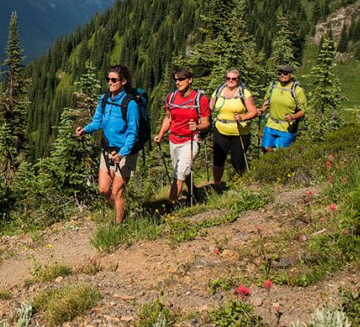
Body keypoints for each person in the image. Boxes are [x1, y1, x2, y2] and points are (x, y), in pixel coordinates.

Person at [76, 65, 139, 224]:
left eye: (114, 80)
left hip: (125, 153)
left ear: (123, 81)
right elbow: (98, 122)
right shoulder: (104, 99)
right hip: (107, 150)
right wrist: (85, 129)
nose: (110, 83)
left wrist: (123, 152)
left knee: (117, 191)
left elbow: (133, 132)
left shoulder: (130, 104)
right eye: (108, 79)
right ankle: (122, 212)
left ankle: (119, 227)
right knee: (104, 190)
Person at [153, 69, 210, 207]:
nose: (177, 82)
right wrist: (161, 134)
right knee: (183, 170)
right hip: (174, 139)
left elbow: (206, 122)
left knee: (178, 174)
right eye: (176, 80)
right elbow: (169, 118)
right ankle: (194, 191)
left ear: (189, 80)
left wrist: (196, 127)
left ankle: (170, 207)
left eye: (181, 79)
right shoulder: (171, 98)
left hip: (191, 139)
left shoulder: (200, 99)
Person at [209, 68, 258, 188]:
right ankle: (217, 185)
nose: (230, 81)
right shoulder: (218, 91)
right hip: (221, 130)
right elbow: (210, 107)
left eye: (234, 79)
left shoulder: (245, 93)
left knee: (238, 162)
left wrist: (242, 117)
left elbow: (253, 111)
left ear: (238, 79)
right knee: (218, 160)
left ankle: (245, 183)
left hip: (239, 132)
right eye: (228, 78)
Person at [260, 64, 306, 152]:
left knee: (280, 152)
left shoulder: (297, 90)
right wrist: (262, 109)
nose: (282, 75)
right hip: (271, 124)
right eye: (280, 73)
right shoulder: (273, 86)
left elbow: (303, 110)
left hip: (287, 127)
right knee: (265, 149)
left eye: (285, 73)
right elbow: (267, 101)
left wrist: (292, 117)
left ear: (291, 75)